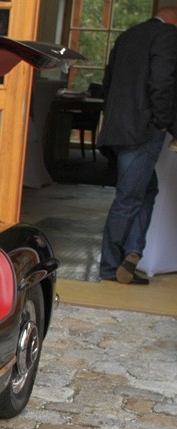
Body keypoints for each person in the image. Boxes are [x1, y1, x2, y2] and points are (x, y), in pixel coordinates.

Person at [97, 8, 177, 285]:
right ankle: (110, 266)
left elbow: (107, 82)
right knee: (128, 198)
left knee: (146, 190)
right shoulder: (167, 35)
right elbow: (163, 82)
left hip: (117, 127)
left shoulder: (128, 35)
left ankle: (131, 253)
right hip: (142, 129)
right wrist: (162, 123)